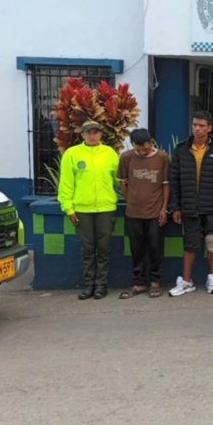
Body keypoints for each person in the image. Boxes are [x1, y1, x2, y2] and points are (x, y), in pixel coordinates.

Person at [168, 110, 213, 296]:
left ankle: (212, 278)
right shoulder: (181, 149)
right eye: (195, 124)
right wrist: (175, 207)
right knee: (190, 245)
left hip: (211, 205)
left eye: (201, 125)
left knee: (212, 243)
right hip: (189, 206)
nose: (197, 128)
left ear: (209, 128)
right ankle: (187, 281)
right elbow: (174, 180)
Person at [58, 120, 119, 300]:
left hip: (106, 207)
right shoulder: (72, 154)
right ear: (82, 135)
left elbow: (119, 180)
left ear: (101, 134)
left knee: (104, 248)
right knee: (87, 248)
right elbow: (66, 184)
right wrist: (68, 208)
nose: (93, 136)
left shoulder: (110, 153)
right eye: (89, 132)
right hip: (82, 209)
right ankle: (89, 284)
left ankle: (101, 285)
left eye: (96, 132)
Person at [117, 128, 169, 298]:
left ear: (151, 142)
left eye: (145, 149)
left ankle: (155, 282)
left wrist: (163, 208)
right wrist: (132, 198)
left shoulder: (162, 157)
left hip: (155, 213)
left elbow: (165, 184)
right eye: (138, 149)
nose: (142, 152)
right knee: (136, 249)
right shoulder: (126, 157)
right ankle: (139, 283)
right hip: (133, 213)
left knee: (155, 248)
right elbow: (123, 184)